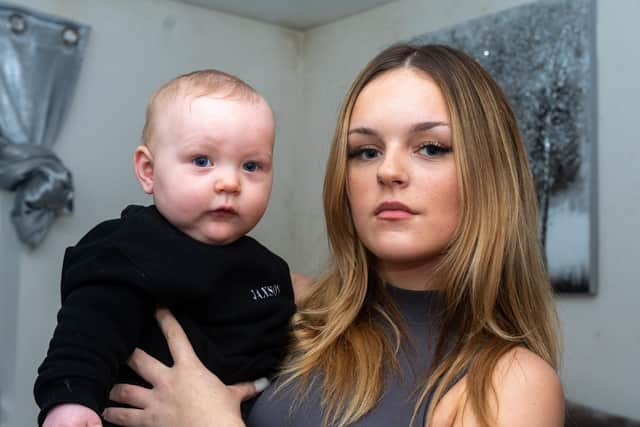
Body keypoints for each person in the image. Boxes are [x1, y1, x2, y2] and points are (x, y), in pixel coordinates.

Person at [102, 44, 565, 427]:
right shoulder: (288, 304)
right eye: (365, 151)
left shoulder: (513, 382)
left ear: (491, 174)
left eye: (430, 148)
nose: (388, 170)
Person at [33, 70, 296, 427]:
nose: (230, 182)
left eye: (252, 166)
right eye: (202, 161)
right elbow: (86, 333)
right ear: (148, 171)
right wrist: (70, 400)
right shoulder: (127, 249)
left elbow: (284, 362)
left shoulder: (269, 271)